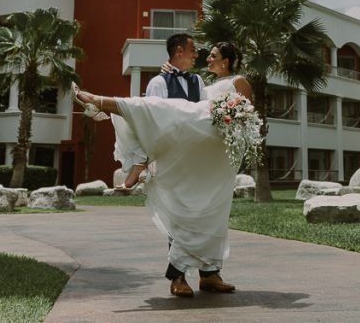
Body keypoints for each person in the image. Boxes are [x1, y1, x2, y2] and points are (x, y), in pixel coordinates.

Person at [74, 41, 252, 298]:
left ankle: (210, 274)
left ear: (226, 60)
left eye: (212, 56)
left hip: (217, 148)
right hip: (196, 144)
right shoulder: (202, 84)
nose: (206, 58)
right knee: (184, 204)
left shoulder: (238, 81)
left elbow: (247, 115)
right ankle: (105, 105)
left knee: (213, 210)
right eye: (204, 54)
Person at [116, 32, 205, 190]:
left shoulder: (198, 81)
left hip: (193, 152)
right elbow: (152, 121)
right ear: (179, 51)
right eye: (193, 50)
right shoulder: (158, 83)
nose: (196, 55)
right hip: (168, 155)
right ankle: (138, 167)